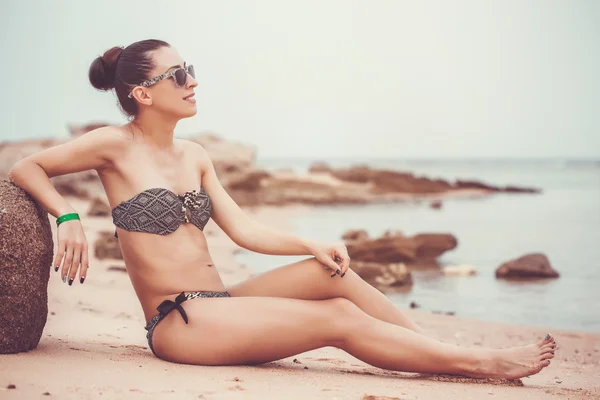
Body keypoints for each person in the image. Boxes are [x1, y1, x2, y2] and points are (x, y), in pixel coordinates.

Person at [8, 39, 556, 378]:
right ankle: (478, 364)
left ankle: (427, 349)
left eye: (190, 67)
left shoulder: (194, 154)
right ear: (144, 94)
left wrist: (309, 243)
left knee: (330, 273)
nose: (193, 80)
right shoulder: (113, 144)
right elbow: (25, 169)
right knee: (337, 320)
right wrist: (69, 216)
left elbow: (242, 229)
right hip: (179, 322)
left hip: (219, 302)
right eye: (178, 74)